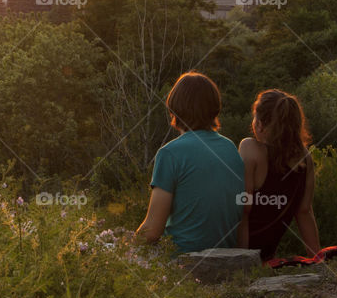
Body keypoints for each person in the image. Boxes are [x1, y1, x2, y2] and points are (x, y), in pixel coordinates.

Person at [136, 72, 244, 253]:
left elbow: (152, 231)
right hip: (227, 256)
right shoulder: (230, 148)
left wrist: (123, 248)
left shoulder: (169, 153)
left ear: (174, 108)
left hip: (182, 260)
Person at [237, 89, 320, 261]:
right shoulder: (304, 159)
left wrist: (242, 263)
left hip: (239, 253)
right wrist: (317, 260)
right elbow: (304, 213)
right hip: (267, 256)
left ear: (260, 124)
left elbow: (243, 211)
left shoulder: (250, 149)